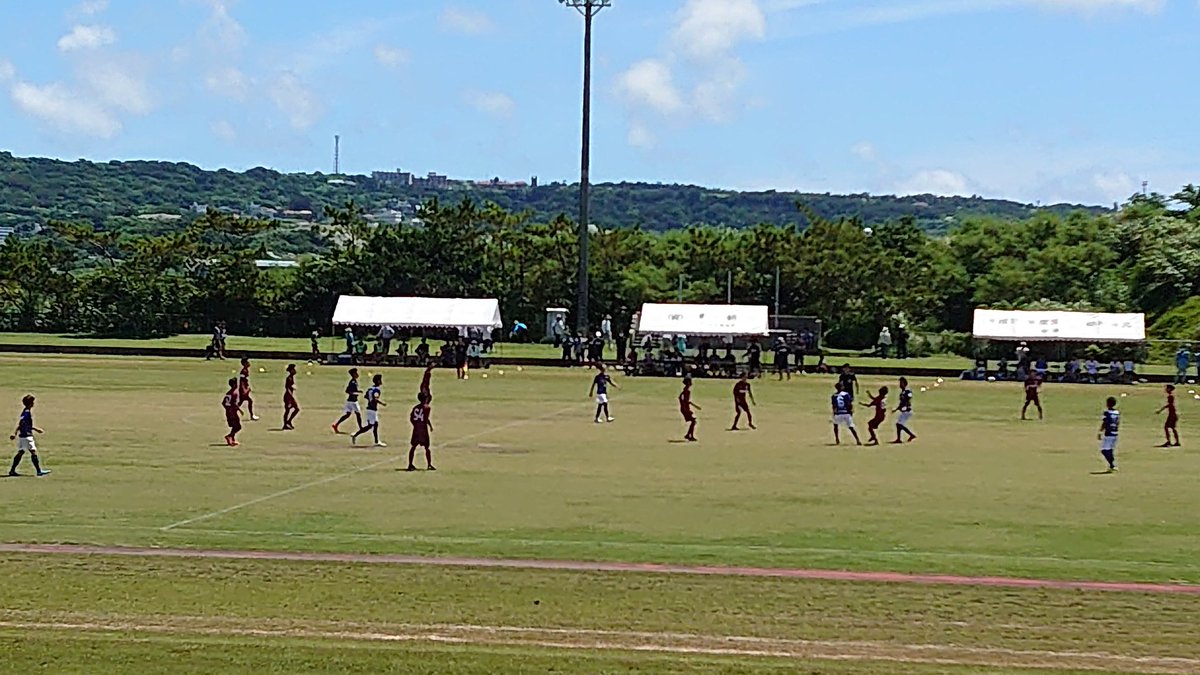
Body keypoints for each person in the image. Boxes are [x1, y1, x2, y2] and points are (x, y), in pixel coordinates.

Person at [8, 394, 49, 476]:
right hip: (26, 436)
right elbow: (21, 424)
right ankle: (39, 471)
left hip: (23, 435)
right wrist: (15, 432)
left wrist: (35, 429)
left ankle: (12, 471)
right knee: (33, 452)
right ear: (30, 403)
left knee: (21, 452)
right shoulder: (26, 412)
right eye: (33, 402)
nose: (34, 403)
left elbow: (25, 424)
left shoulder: (25, 411)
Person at [352, 374, 386, 447]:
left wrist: (370, 400)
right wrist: (382, 403)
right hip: (372, 410)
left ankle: (377, 441)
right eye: (380, 380)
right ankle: (356, 435)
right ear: (377, 381)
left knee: (375, 425)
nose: (381, 381)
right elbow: (375, 399)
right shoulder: (377, 390)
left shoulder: (370, 389)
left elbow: (366, 396)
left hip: (369, 409)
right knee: (370, 426)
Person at [406, 392, 435, 471]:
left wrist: (415, 425)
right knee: (427, 447)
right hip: (423, 430)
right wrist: (429, 426)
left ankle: (410, 464)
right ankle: (429, 464)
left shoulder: (415, 407)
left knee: (413, 447)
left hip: (416, 429)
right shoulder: (427, 408)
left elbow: (411, 418)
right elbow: (425, 418)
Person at [332, 368, 362, 433]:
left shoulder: (354, 381)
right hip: (353, 401)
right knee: (358, 414)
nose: (357, 374)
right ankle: (361, 428)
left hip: (349, 401)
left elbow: (351, 390)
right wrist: (355, 393)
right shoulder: (353, 382)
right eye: (356, 373)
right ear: (354, 374)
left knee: (348, 415)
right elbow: (348, 391)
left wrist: (358, 391)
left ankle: (336, 425)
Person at [1097, 396, 1120, 472]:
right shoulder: (1117, 412)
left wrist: (1100, 431)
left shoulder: (1107, 412)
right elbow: (1117, 422)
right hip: (1115, 433)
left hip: (1109, 433)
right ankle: (1112, 465)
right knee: (1110, 450)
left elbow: (1105, 423)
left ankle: (1112, 465)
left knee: (1104, 450)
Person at [893, 377, 916, 443]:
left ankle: (911, 435)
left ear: (904, 383)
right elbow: (901, 402)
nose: (900, 384)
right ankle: (899, 439)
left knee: (899, 424)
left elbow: (908, 398)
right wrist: (897, 409)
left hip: (907, 411)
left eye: (901, 383)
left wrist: (904, 405)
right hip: (904, 411)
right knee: (899, 424)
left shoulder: (907, 391)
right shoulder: (903, 392)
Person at [221, 378, 242, 448]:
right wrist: (239, 410)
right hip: (233, 412)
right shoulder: (234, 393)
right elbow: (234, 403)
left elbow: (223, 403)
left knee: (234, 426)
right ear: (234, 385)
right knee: (238, 427)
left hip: (228, 412)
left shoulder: (228, 393)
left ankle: (232, 440)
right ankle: (229, 436)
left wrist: (227, 409)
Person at [679, 376, 701, 442]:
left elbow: (681, 398)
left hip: (685, 408)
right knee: (693, 421)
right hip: (685, 409)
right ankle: (689, 435)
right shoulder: (687, 391)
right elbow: (685, 400)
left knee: (693, 421)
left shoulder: (685, 390)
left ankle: (689, 434)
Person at [282, 363, 300, 430]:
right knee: (287, 410)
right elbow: (287, 388)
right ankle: (285, 424)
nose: (295, 371)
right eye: (294, 369)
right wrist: (290, 396)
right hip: (288, 396)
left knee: (296, 409)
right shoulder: (289, 378)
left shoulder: (292, 378)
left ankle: (288, 421)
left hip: (290, 396)